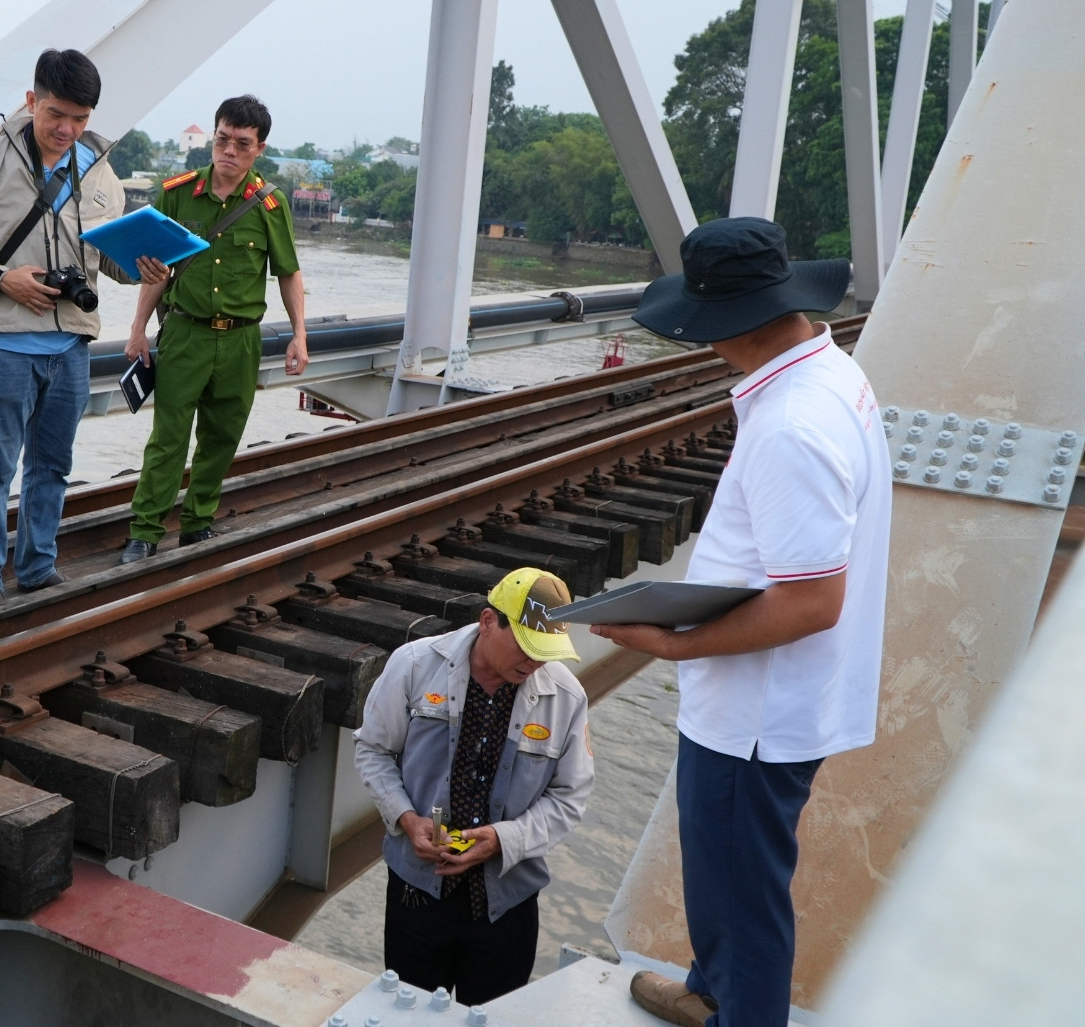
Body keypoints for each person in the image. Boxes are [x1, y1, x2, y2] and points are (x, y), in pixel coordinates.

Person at [590, 217, 889, 1027]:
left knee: (742, 889)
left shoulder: (793, 425)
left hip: (755, 715)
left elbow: (810, 601)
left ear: (732, 321)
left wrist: (672, 641)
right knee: (725, 872)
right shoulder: (831, 372)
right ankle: (712, 989)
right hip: (779, 699)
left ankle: (739, 1007)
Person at [0, 49, 165, 610]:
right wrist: (2, 279)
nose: (67, 129)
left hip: (72, 348)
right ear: (31, 100)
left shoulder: (99, 170)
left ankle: (38, 567)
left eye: (80, 118)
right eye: (56, 114)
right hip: (3, 344)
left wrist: (147, 267)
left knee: (53, 467)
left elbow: (108, 259)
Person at [352, 567, 595, 1006]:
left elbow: (569, 797)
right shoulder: (414, 666)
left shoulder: (568, 698)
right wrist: (406, 819)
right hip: (417, 895)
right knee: (407, 1013)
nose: (536, 662)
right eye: (526, 646)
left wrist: (504, 840)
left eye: (546, 652)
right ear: (487, 622)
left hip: (507, 907)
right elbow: (373, 750)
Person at [118, 95, 308, 563]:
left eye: (242, 143)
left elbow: (288, 272)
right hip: (186, 334)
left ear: (259, 149)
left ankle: (197, 522)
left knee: (222, 437)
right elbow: (155, 270)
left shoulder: (270, 204)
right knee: (168, 437)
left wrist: (299, 335)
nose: (229, 150)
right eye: (222, 139)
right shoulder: (177, 194)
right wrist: (138, 329)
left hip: (241, 339)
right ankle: (145, 531)